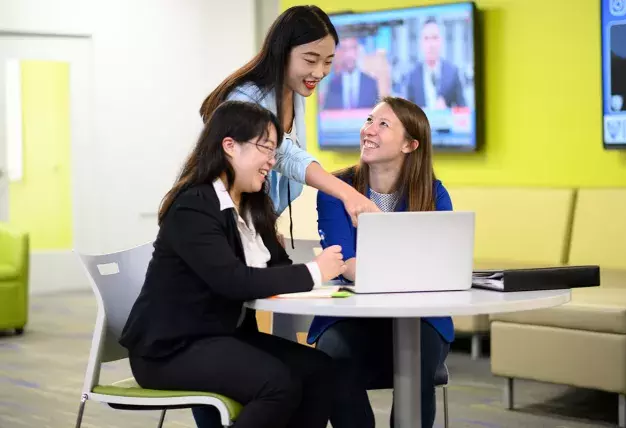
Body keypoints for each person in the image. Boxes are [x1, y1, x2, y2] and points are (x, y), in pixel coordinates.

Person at [119, 101, 348, 428]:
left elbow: (275, 270)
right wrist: (315, 271)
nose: (272, 160)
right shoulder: (193, 206)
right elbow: (233, 281)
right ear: (229, 146)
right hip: (171, 349)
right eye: (265, 148)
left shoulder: (253, 205)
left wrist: (314, 276)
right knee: (276, 385)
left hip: (222, 337)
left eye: (274, 150)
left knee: (319, 369)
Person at [308, 96, 454, 428]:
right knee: (332, 358)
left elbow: (440, 265)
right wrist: (407, 271)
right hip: (351, 318)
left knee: (414, 365)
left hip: (421, 318)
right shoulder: (336, 189)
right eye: (368, 121)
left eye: (383, 124)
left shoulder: (433, 193)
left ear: (409, 144)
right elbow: (345, 263)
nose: (368, 131)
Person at [199, 5, 380, 248]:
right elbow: (283, 155)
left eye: (328, 62)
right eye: (310, 60)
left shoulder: (295, 95)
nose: (320, 72)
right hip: (220, 228)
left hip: (251, 227)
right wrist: (346, 193)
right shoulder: (246, 99)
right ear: (282, 52)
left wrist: (265, 227)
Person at [406, 17, 466, 109]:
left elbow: (463, 109)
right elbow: (406, 114)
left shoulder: (452, 72)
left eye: (435, 38)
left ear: (441, 41)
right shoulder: (412, 75)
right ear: (421, 43)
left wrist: (447, 111)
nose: (431, 44)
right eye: (426, 38)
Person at [323, 35, 380, 110]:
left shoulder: (371, 83)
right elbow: (328, 114)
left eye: (352, 48)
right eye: (345, 49)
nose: (348, 54)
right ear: (340, 53)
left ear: (357, 51)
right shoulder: (333, 84)